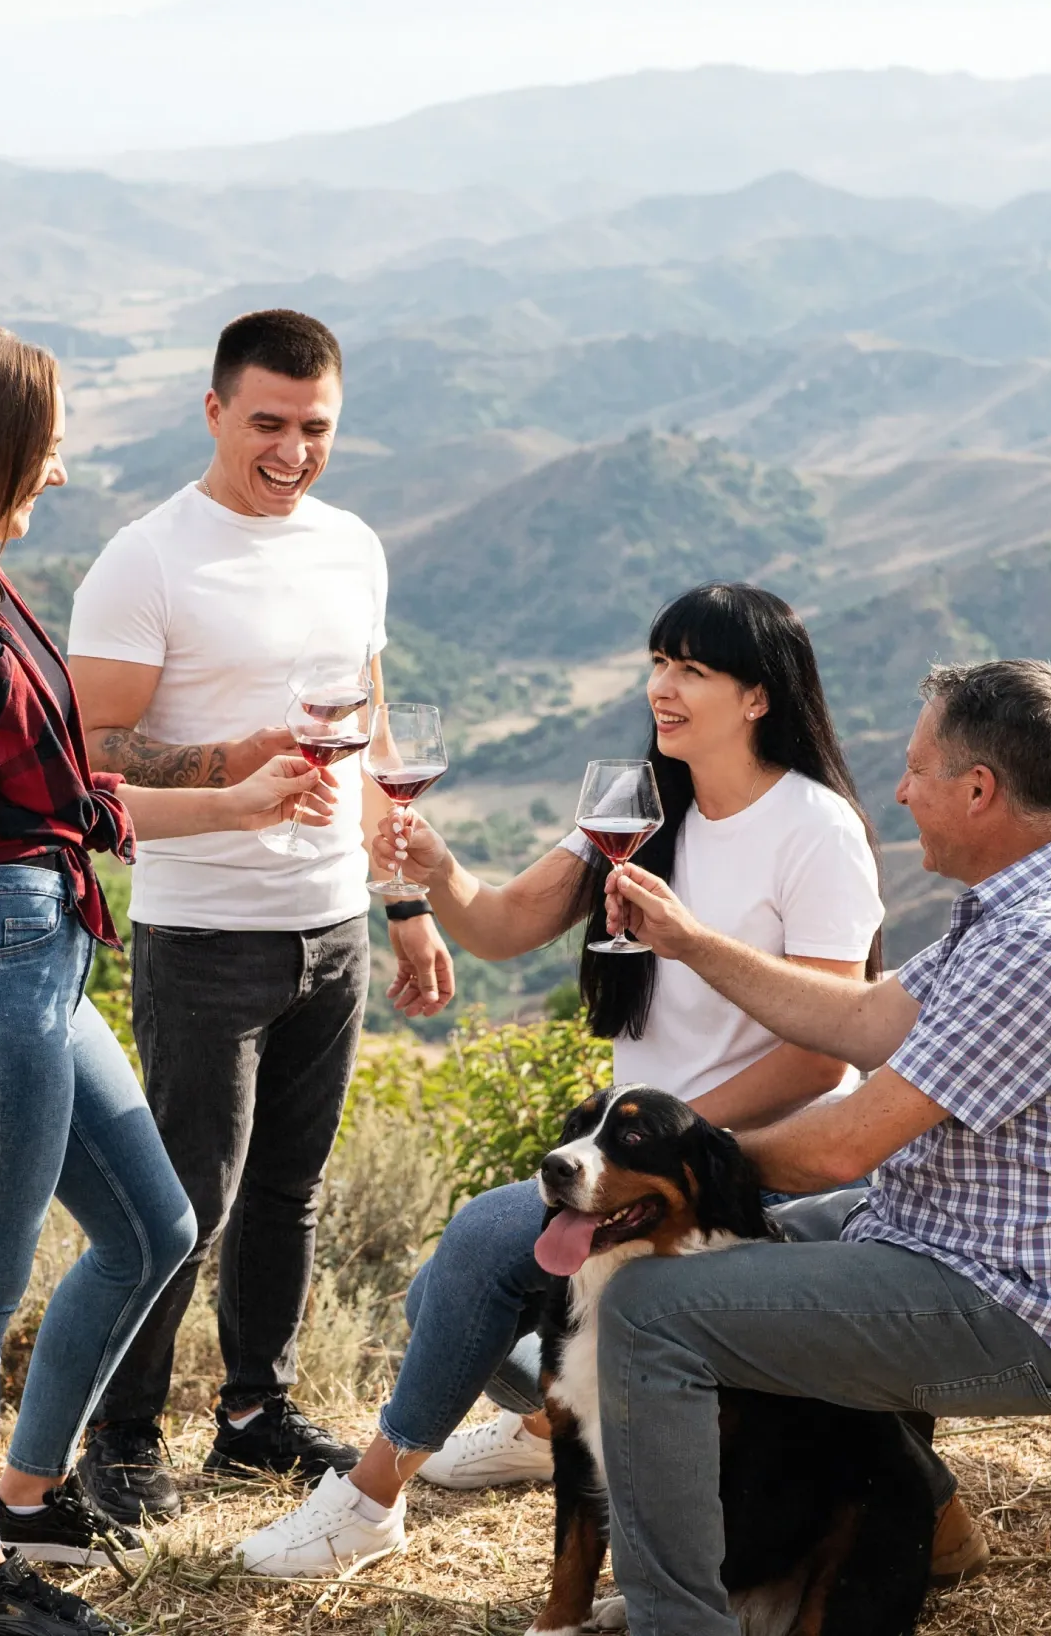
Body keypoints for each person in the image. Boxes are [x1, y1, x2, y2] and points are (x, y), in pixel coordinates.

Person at [0, 324, 339, 1636]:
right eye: (48, 438)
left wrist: (239, 797)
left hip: (45, 956)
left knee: (155, 1226)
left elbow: (69, 807)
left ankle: (31, 1496)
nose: (60, 467)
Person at [231, 582, 887, 1577]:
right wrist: (439, 869)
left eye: (693, 670)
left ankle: (365, 1500)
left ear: (759, 696)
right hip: (642, 1154)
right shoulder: (637, 806)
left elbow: (825, 1047)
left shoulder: (816, 828)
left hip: (764, 1154)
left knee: (483, 1247)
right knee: (437, 1298)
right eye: (659, 662)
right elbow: (498, 926)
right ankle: (552, 1419)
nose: (662, 687)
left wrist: (674, 1140)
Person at [585, 658, 1051, 1636]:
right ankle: (870, 1529)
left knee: (651, 1309)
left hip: (1012, 1302)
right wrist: (688, 938)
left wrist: (686, 1163)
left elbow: (843, 1146)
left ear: (979, 789)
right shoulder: (1024, 899)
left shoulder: (1044, 938)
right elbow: (862, 1016)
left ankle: (678, 1621)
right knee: (726, 1242)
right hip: (940, 1235)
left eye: (916, 769)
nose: (899, 790)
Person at [61, 308, 460, 1525]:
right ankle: (120, 1437)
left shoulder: (353, 546)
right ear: (216, 411)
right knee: (181, 1200)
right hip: (203, 930)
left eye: (317, 426)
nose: (293, 449)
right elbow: (89, 755)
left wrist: (405, 902)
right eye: (270, 423)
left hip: (332, 917)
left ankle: (252, 1416)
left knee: (290, 1189)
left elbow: (375, 731)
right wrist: (231, 760)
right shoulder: (148, 559)